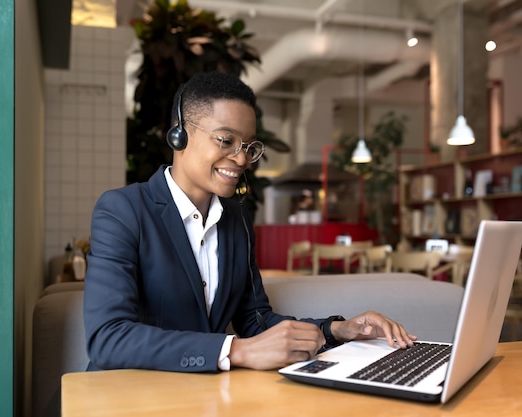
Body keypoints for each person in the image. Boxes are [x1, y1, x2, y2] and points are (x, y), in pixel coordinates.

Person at [84, 71, 416, 373]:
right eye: (226, 141)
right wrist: (237, 351)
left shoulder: (236, 220)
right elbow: (107, 337)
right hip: (129, 395)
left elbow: (256, 322)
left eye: (248, 146)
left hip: (201, 399)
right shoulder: (123, 210)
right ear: (179, 135)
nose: (242, 159)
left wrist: (337, 330)